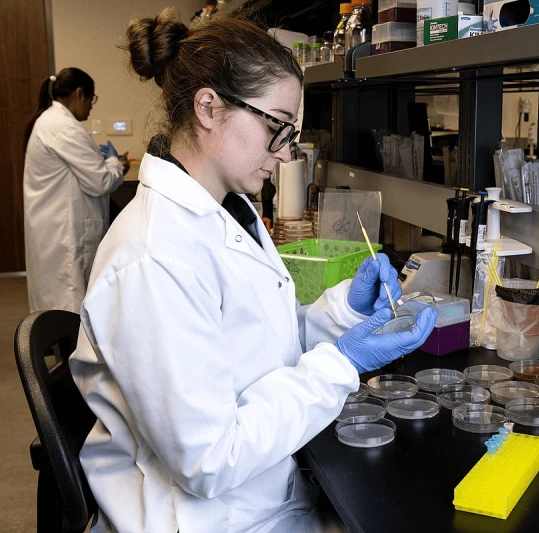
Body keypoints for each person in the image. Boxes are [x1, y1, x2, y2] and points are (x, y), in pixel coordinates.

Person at [69, 8, 437, 533]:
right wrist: (342, 362)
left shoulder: (228, 210)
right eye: (276, 127)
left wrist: (344, 313)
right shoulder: (153, 257)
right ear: (209, 107)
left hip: (260, 492)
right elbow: (208, 461)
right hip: (205, 517)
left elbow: (258, 349)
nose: (286, 154)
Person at [23, 68, 129, 313]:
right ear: (79, 94)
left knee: (58, 299)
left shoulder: (52, 122)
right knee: (69, 301)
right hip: (65, 232)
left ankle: (58, 334)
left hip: (55, 226)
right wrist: (115, 163)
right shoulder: (64, 128)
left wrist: (103, 161)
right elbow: (101, 182)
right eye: (91, 99)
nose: (91, 107)